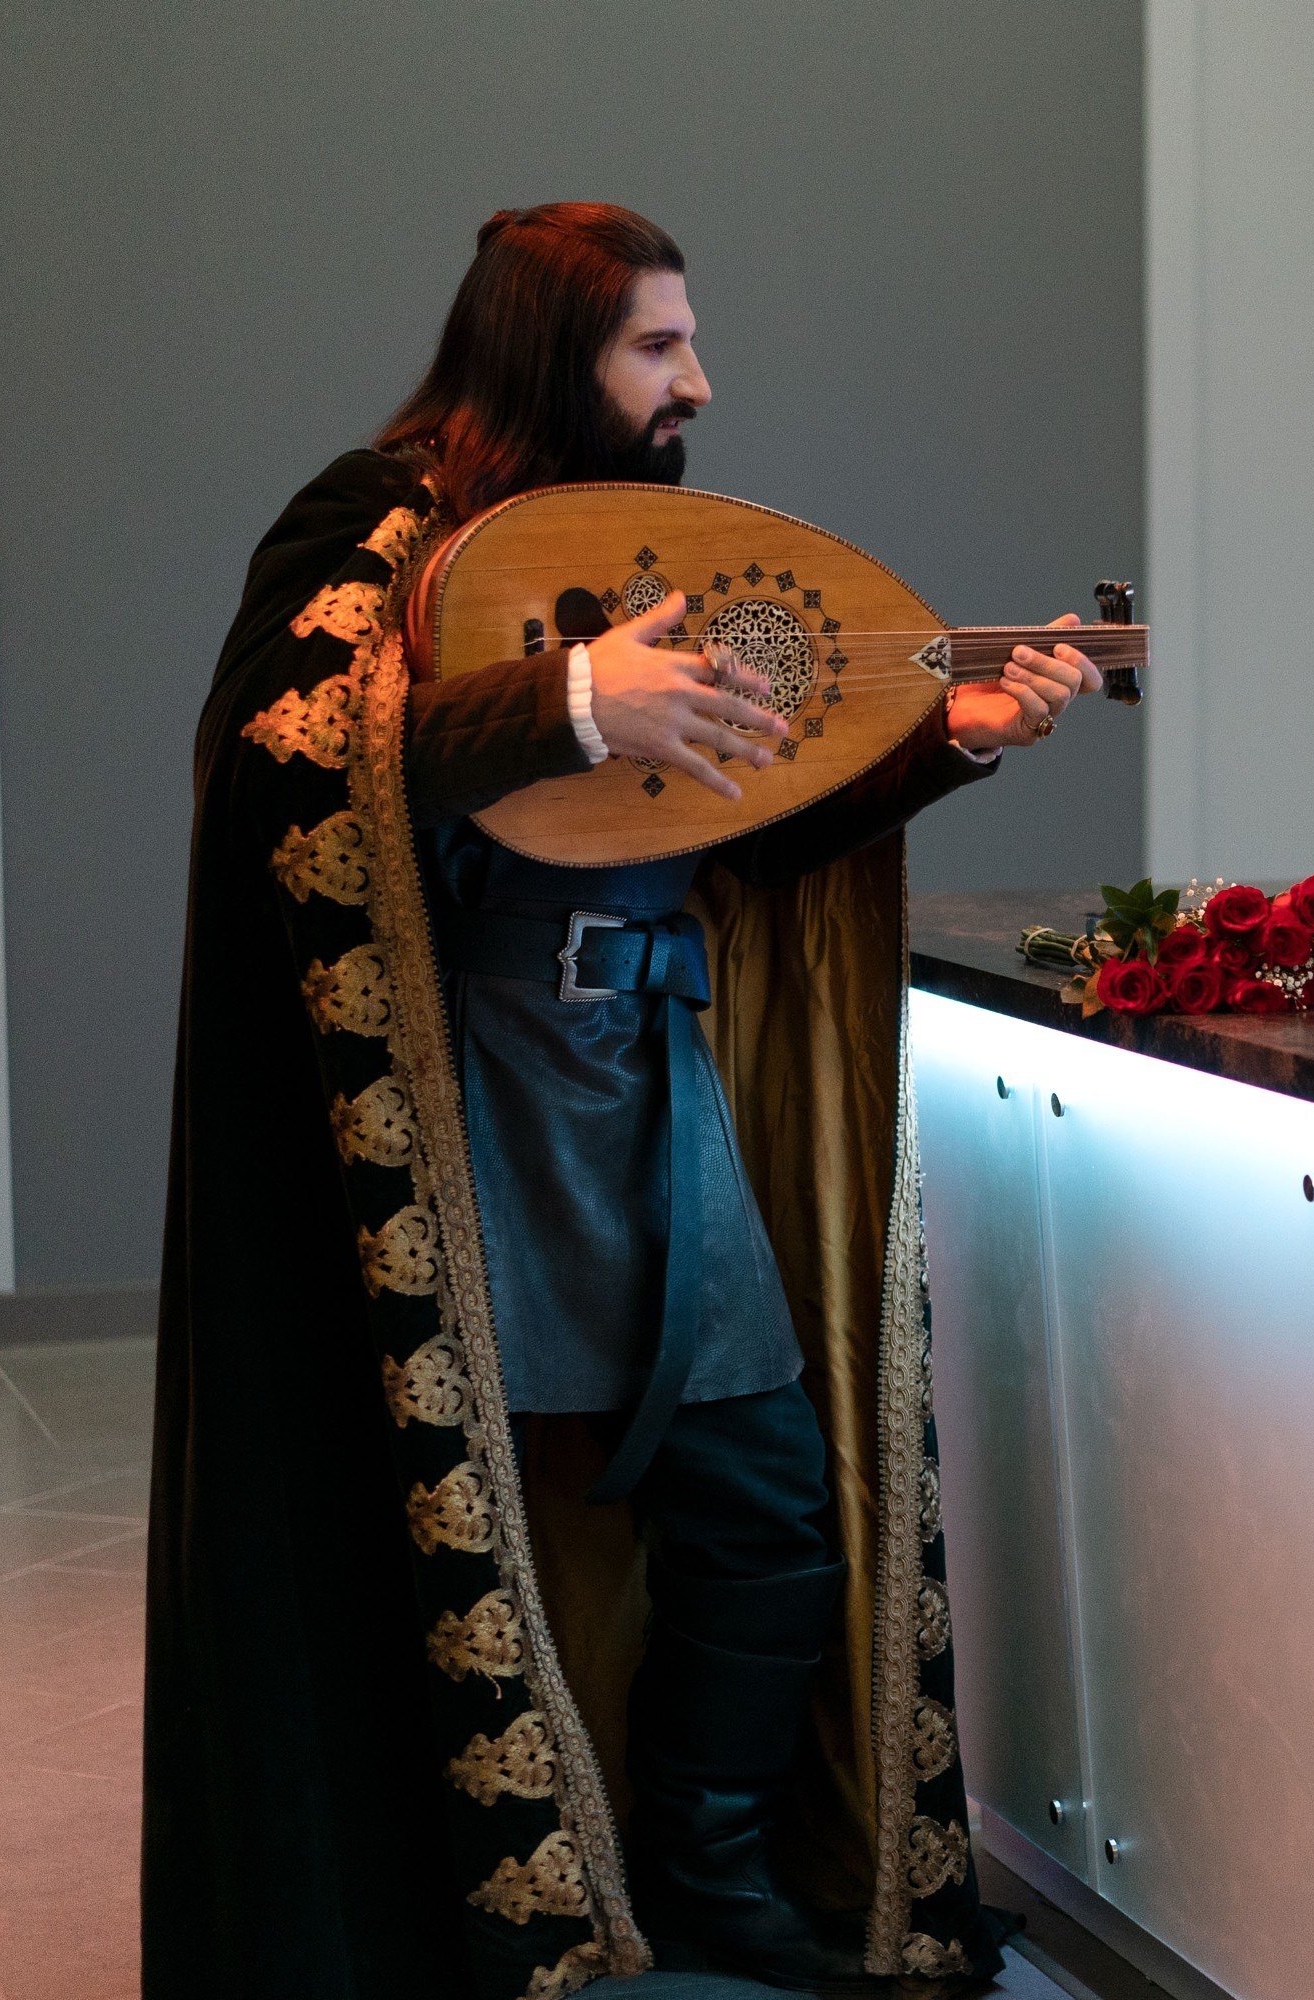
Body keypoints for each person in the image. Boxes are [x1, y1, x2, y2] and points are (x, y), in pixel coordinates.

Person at [146, 203, 1096, 1999]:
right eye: (658, 347)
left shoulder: (635, 547)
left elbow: (739, 825)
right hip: (465, 1114)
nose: (697, 383)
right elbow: (289, 762)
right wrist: (572, 697)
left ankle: (714, 1868)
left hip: (653, 1090)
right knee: (463, 1517)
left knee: (765, 1501)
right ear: (547, 343)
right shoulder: (372, 521)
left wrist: (954, 733)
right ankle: (493, 1902)